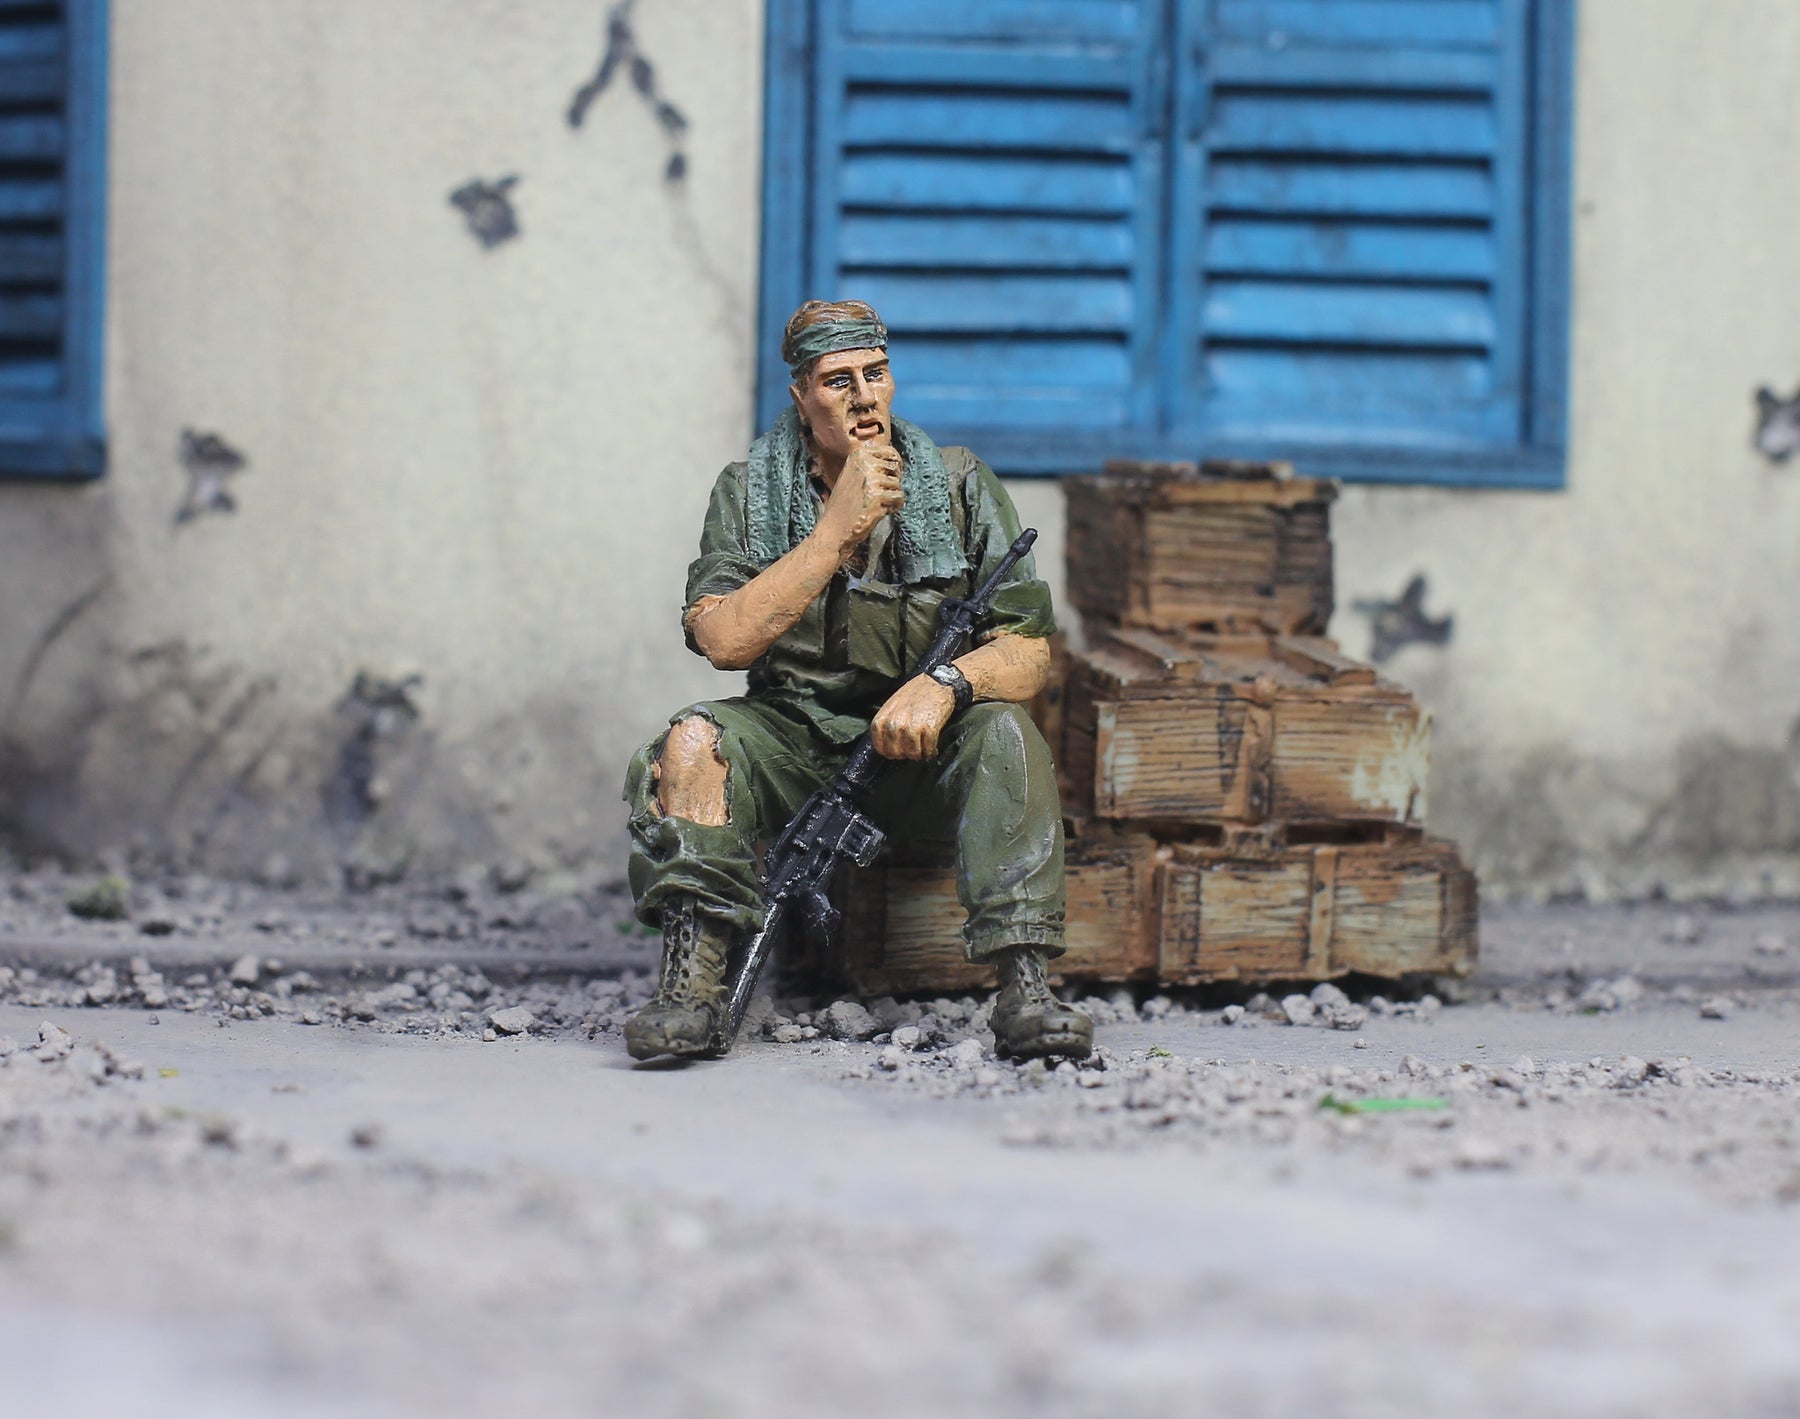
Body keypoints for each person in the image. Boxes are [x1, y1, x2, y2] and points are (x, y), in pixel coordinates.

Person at [622, 299, 1092, 1062]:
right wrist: (833, 532)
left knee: (1005, 730)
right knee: (694, 742)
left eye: (877, 373)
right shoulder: (750, 490)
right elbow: (723, 640)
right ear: (801, 395)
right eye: (839, 381)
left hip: (918, 748)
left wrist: (946, 683)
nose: (866, 397)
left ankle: (1026, 983)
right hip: (794, 742)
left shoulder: (959, 484)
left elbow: (1029, 649)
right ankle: (691, 986)